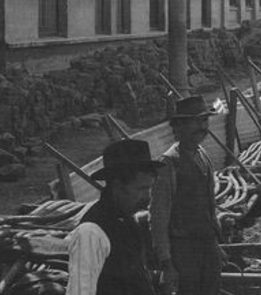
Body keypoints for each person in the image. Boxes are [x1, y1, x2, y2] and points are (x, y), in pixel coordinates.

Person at [150, 95, 226, 295]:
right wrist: (167, 262)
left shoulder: (202, 155)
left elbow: (209, 207)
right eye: (195, 122)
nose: (202, 127)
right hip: (184, 250)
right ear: (179, 127)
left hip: (207, 245)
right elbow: (159, 216)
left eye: (204, 121)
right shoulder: (169, 163)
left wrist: (215, 245)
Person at [67, 139, 164, 295]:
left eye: (150, 188)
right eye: (141, 189)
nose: (148, 197)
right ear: (117, 186)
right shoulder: (91, 232)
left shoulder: (128, 222)